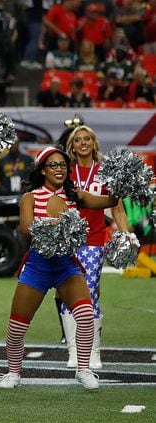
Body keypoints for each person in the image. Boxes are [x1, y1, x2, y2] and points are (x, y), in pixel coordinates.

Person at [0, 146, 117, 390]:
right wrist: (55, 227)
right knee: (17, 325)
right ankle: (13, 372)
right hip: (37, 266)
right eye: (53, 165)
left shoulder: (76, 196)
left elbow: (110, 201)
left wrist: (120, 182)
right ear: (42, 170)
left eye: (63, 165)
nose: (59, 169)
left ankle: (82, 370)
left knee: (85, 316)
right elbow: (25, 229)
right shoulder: (30, 197)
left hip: (65, 265)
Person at [58, 125, 131, 369]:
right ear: (72, 145)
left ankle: (93, 352)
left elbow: (117, 207)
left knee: (89, 294)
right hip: (66, 240)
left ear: (94, 142)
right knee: (66, 294)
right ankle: (73, 351)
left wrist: (126, 235)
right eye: (78, 140)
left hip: (93, 240)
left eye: (87, 139)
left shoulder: (105, 171)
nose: (82, 143)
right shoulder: (65, 171)